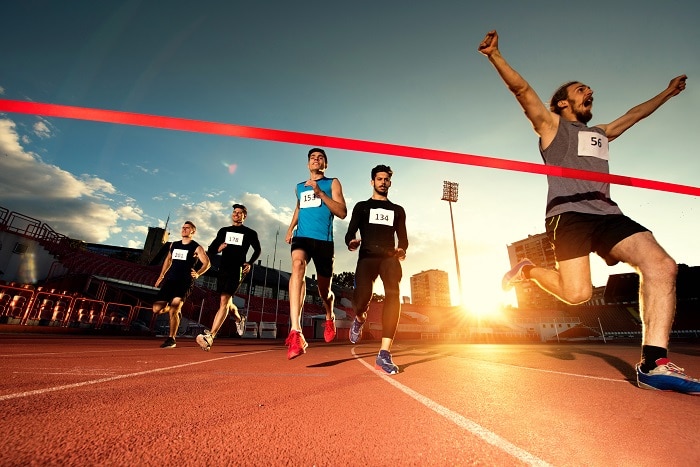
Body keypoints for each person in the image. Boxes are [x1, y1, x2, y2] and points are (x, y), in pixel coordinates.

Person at [479, 30, 699, 394]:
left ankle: (653, 363)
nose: (589, 92)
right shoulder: (551, 128)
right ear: (562, 103)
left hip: (608, 214)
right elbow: (523, 93)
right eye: (581, 89)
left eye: (589, 90)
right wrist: (495, 55)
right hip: (569, 215)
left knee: (662, 265)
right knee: (578, 294)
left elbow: (635, 114)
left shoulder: (601, 132)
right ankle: (528, 270)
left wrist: (667, 92)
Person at [284, 148, 347, 359]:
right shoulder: (299, 187)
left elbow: (342, 212)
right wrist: (290, 227)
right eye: (312, 158)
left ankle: (329, 316)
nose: (316, 160)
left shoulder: (332, 183)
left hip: (323, 241)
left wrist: (320, 193)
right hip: (302, 237)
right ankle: (296, 331)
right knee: (297, 265)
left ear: (325, 165)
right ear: (308, 164)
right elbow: (299, 208)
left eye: (320, 158)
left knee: (324, 292)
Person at [345, 165, 408, 375]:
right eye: (379, 179)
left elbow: (403, 238)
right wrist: (351, 242)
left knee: (394, 293)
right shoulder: (362, 207)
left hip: (389, 258)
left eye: (386, 179)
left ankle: (384, 353)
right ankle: (360, 318)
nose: (382, 182)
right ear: (372, 182)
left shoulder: (397, 210)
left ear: (390, 183)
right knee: (362, 299)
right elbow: (350, 231)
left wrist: (402, 250)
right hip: (367, 258)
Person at [196, 204, 261, 351]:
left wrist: (249, 263)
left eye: (239, 213)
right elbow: (211, 249)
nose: (236, 214)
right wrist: (218, 249)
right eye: (234, 212)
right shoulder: (224, 231)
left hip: (237, 269)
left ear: (244, 216)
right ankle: (239, 318)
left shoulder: (250, 232)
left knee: (224, 300)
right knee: (227, 301)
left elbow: (258, 249)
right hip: (223, 269)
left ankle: (211, 336)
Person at [153, 221, 210, 348]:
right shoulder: (174, 244)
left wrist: (198, 273)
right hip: (171, 281)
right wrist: (161, 275)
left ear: (192, 232)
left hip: (185, 282)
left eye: (187, 228)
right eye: (183, 228)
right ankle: (176, 310)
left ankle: (171, 339)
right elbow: (168, 259)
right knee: (157, 309)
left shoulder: (196, 247)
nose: (184, 230)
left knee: (174, 308)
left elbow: (207, 263)